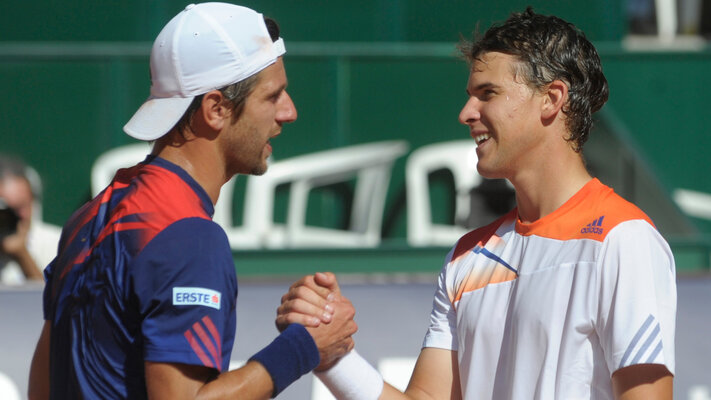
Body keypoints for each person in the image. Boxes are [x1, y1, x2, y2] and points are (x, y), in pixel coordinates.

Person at [278, 8, 676, 400]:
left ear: (551, 99)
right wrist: (332, 356)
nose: (466, 113)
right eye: (471, 96)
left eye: (488, 94)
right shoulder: (465, 259)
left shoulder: (624, 240)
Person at [28, 3, 356, 399]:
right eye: (273, 96)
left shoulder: (91, 214)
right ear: (216, 109)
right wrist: (305, 347)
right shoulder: (189, 238)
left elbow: (42, 386)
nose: (289, 112)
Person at [0, 155, 61, 284]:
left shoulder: (57, 243)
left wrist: (22, 254)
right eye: (7, 210)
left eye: (21, 207)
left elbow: (52, 301)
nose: (15, 217)